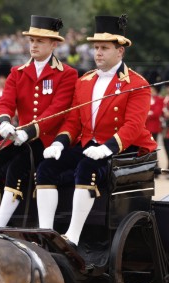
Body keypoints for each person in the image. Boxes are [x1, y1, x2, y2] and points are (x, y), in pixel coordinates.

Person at [35, 14, 157, 245]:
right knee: (46, 168)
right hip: (88, 144)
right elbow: (73, 120)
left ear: (120, 51)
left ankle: (73, 235)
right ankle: (45, 233)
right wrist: (59, 143)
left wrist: (107, 148)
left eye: (104, 48)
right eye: (95, 47)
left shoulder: (138, 84)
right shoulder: (84, 81)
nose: (98, 52)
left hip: (123, 149)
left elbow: (133, 125)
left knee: (86, 168)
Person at [0, 15, 77, 226]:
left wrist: (29, 131)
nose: (34, 45)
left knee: (18, 167)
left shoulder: (67, 74)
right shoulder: (17, 73)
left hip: (48, 141)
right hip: (20, 137)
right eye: (32, 40)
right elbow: (5, 103)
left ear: (53, 44)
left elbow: (57, 110)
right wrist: (4, 122)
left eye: (40, 41)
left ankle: (0, 224)